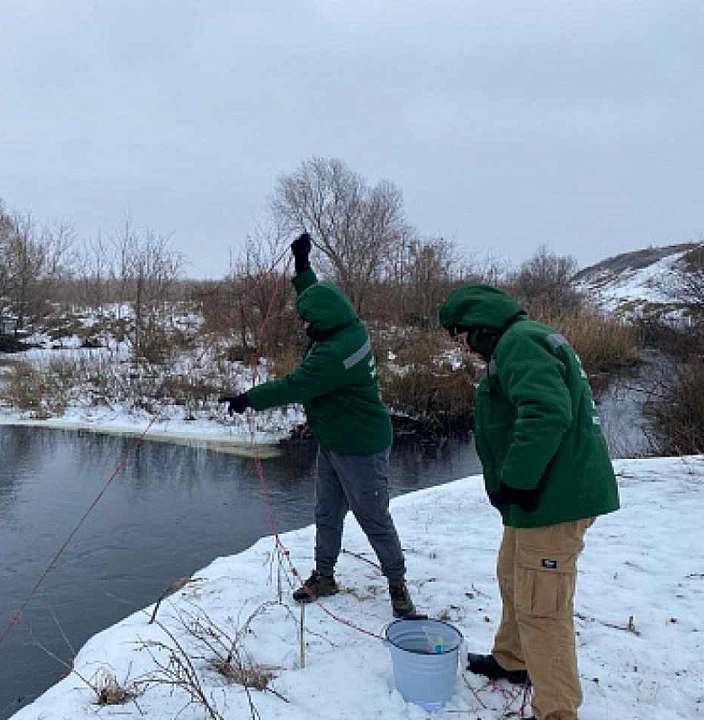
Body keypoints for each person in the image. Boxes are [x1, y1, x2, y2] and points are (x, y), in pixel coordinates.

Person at [438, 284, 620, 720]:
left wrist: (517, 480)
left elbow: (545, 412)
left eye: (460, 335)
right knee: (512, 573)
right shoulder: (526, 338)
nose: (461, 346)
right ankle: (512, 659)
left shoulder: (519, 343)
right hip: (541, 497)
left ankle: (556, 710)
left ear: (480, 325)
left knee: (543, 606)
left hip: (553, 499)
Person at [220, 233, 417, 618]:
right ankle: (324, 576)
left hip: (361, 446)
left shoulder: (336, 353)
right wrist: (302, 264)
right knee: (327, 513)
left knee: (374, 519)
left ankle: (398, 586)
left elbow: (295, 385)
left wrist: (248, 399)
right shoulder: (345, 325)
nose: (304, 324)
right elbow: (317, 298)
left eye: (307, 321)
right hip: (334, 440)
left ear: (323, 323)